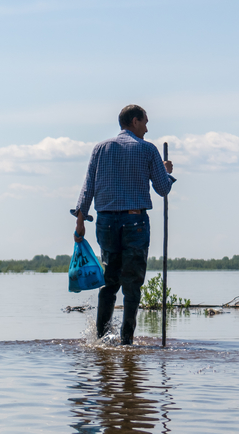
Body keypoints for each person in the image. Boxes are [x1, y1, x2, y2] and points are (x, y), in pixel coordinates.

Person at [71, 104, 175, 345]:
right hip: (135, 221)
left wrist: (80, 220)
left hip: (105, 221)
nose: (147, 129)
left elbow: (88, 186)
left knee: (109, 282)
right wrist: (166, 171)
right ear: (134, 121)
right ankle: (126, 342)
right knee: (132, 283)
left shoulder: (100, 148)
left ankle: (101, 339)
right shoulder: (148, 150)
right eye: (145, 122)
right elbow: (162, 189)